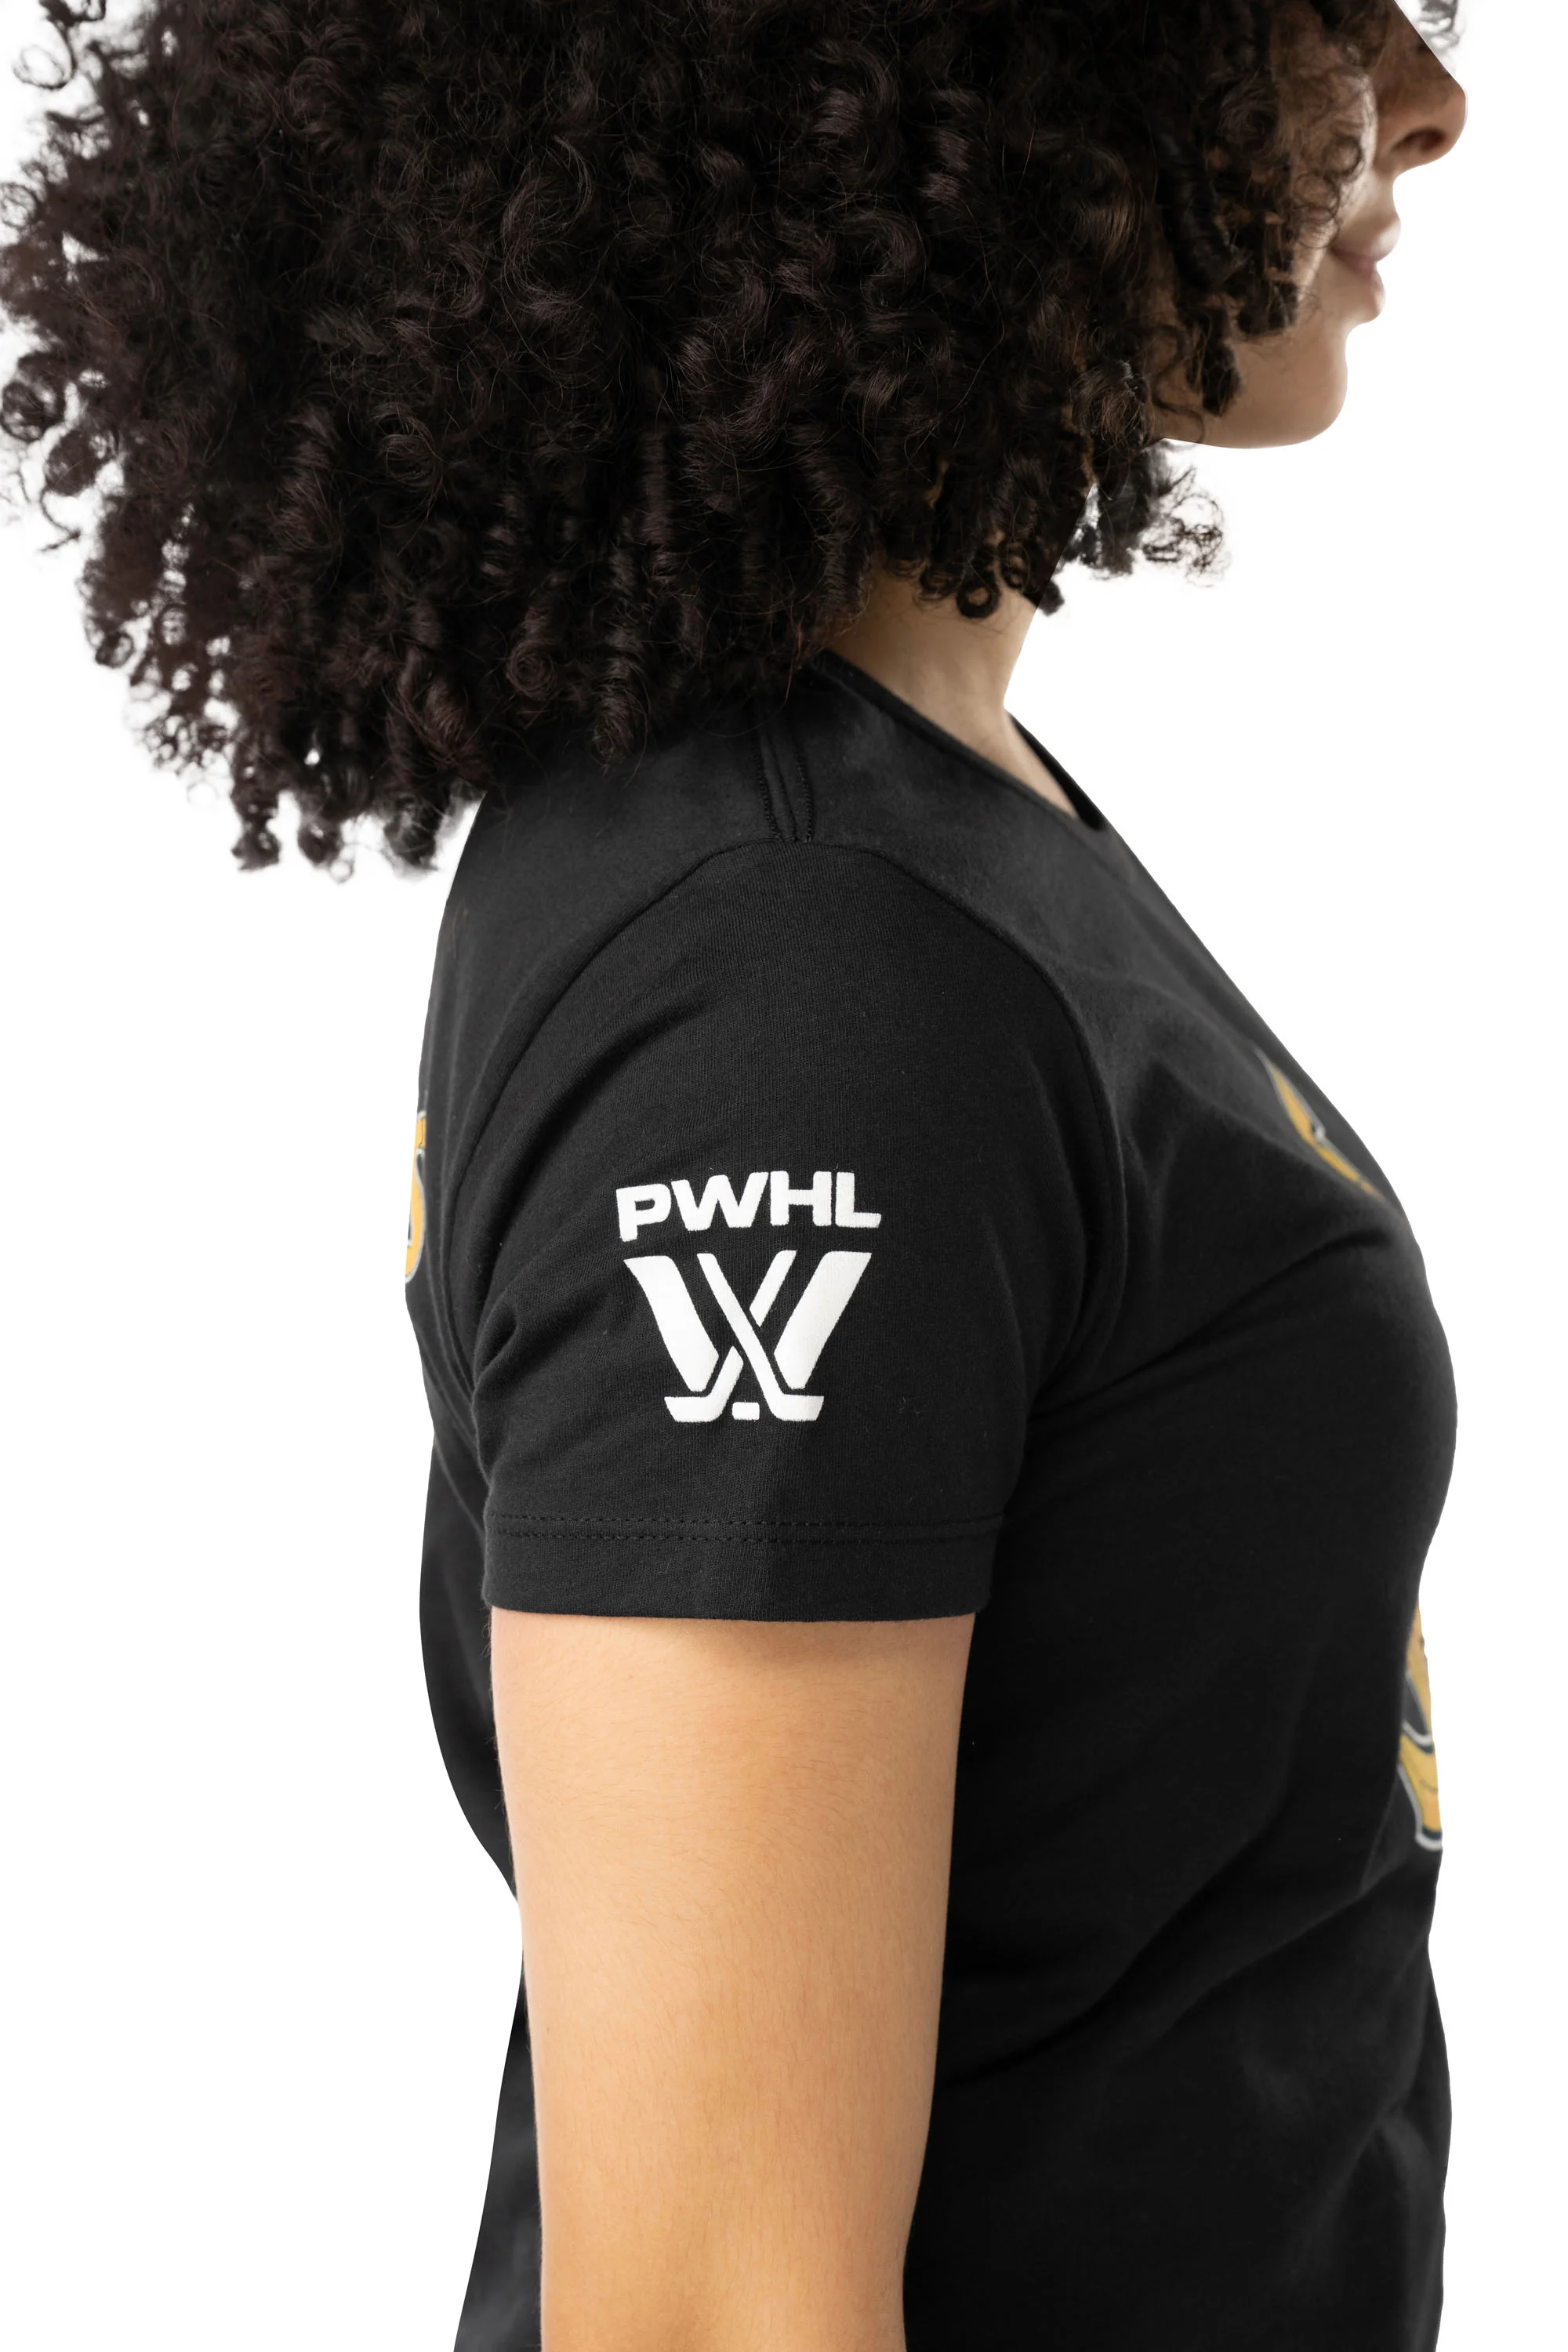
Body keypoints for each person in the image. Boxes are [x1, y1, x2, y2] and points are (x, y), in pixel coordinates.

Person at [0, 3, 1467, 2345]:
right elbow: (704, 2315)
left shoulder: (912, 830)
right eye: (1305, 9)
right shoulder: (796, 990)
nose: (1426, 94)